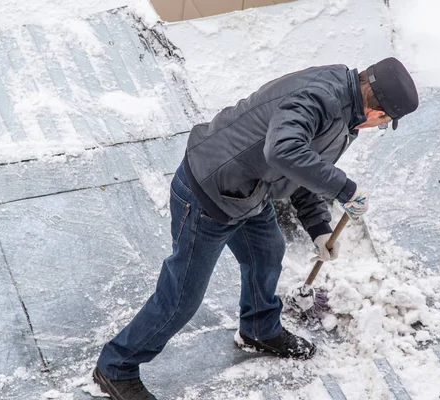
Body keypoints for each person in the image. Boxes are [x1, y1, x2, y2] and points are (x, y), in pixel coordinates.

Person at [92, 57, 419, 399]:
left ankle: (259, 329)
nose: (378, 127)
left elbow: (304, 168)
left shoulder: (345, 110)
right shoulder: (321, 98)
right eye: (384, 123)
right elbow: (283, 151)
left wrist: (319, 227)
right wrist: (345, 189)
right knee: (181, 297)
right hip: (209, 192)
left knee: (267, 253)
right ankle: (116, 366)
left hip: (250, 191)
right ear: (376, 112)